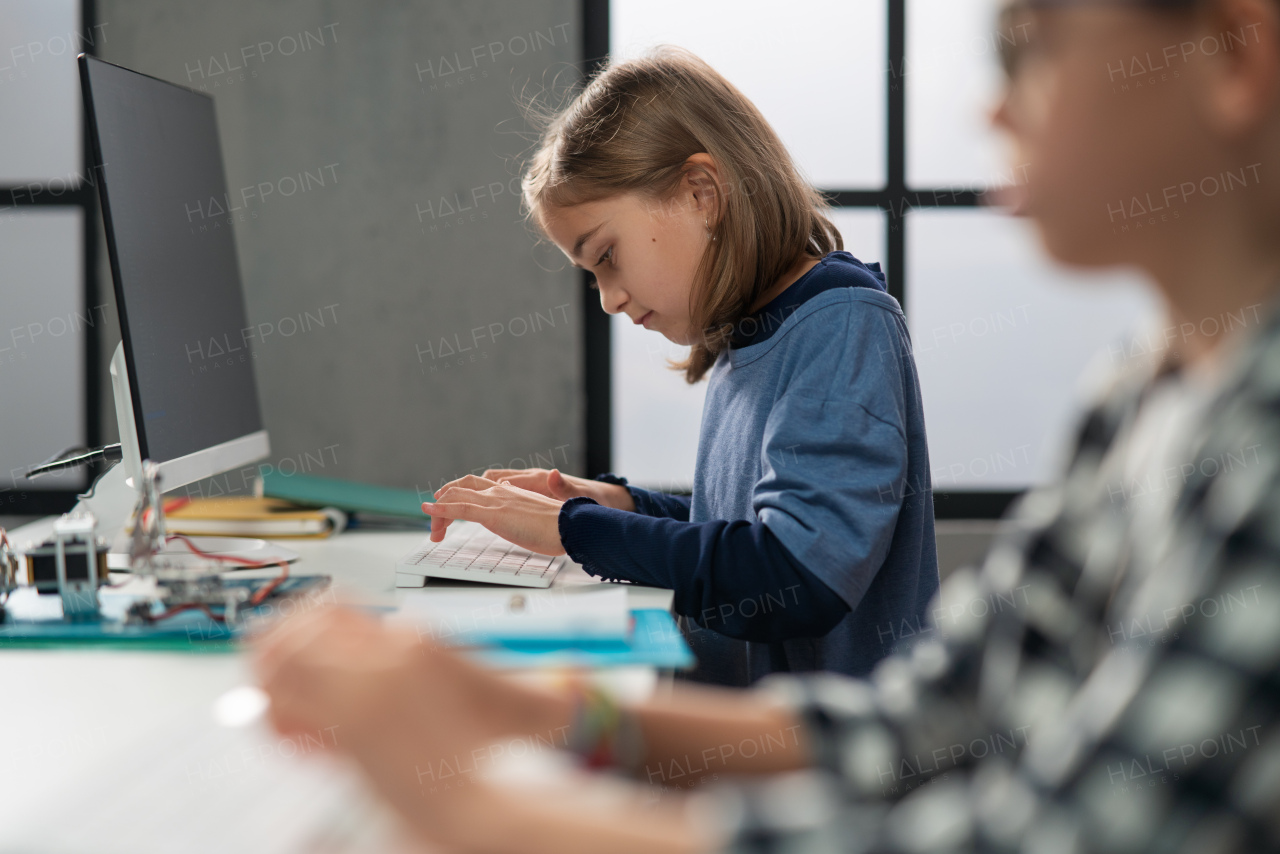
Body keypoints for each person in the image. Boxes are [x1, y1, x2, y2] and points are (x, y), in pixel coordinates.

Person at [254, 0, 1280, 850]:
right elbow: (924, 718)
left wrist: (477, 806)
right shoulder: (1135, 397)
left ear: (1230, 53)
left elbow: (1036, 830)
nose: (991, 105)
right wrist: (540, 702)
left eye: (1032, 43)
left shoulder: (1254, 441)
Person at [420, 48, 939, 685]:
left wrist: (576, 530)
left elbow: (794, 577)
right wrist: (614, 504)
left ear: (701, 194)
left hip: (819, 767)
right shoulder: (752, 335)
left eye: (607, 255)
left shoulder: (841, 324)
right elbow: (738, 527)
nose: (608, 299)